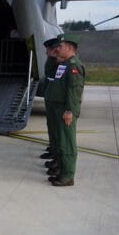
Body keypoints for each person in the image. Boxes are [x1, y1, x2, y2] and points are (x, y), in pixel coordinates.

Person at [44, 34, 85, 187]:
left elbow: (74, 90)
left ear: (69, 47)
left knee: (67, 142)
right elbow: (50, 75)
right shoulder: (64, 64)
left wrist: (70, 110)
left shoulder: (74, 66)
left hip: (64, 108)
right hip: (57, 107)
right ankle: (62, 170)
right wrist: (52, 57)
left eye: (60, 46)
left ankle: (68, 176)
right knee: (60, 140)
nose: (57, 49)